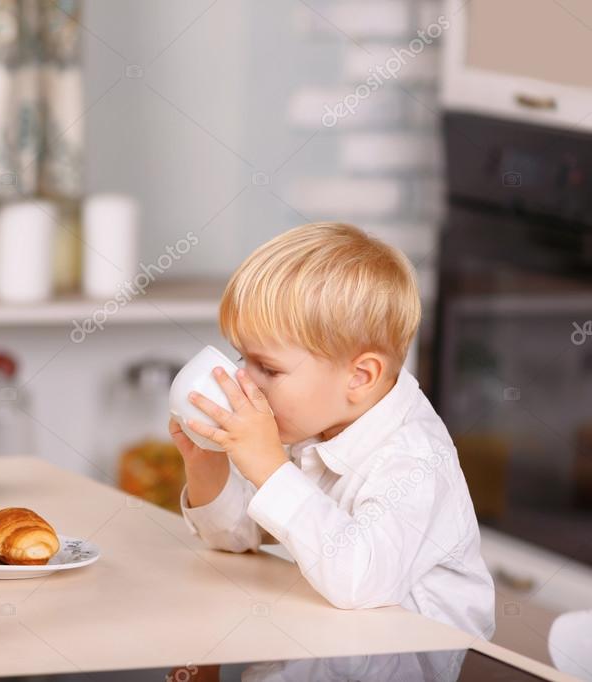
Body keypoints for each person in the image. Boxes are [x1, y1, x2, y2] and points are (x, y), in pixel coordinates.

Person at [171, 222, 495, 639]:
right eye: (241, 358)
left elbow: (358, 582)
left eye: (268, 368)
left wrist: (270, 469)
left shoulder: (412, 459)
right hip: (322, 643)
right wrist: (207, 468)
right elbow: (235, 538)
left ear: (359, 377)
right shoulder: (309, 424)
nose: (244, 381)